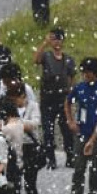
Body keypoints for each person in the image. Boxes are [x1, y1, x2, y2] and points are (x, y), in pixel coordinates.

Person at [63, 57, 97, 194]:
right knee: (79, 167)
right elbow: (67, 102)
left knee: (94, 168)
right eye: (84, 73)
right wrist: (70, 121)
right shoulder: (80, 88)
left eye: (88, 73)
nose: (85, 75)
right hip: (81, 132)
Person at [33, 28, 75, 169]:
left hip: (62, 99)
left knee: (66, 130)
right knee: (48, 130)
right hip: (47, 98)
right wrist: (44, 43)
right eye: (54, 39)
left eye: (59, 39)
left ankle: (70, 156)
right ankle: (51, 158)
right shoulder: (46, 56)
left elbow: (71, 79)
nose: (57, 42)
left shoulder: (68, 59)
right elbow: (36, 59)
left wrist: (70, 97)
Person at [6, 84, 43, 194]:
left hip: (30, 147)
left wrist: (17, 123)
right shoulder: (10, 108)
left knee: (30, 184)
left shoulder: (33, 106)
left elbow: (34, 124)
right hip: (15, 147)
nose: (15, 102)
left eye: (17, 98)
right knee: (14, 183)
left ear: (23, 96)